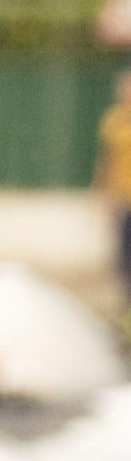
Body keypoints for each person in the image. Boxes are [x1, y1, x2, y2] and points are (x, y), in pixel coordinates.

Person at [96, 71, 131, 306]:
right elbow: (106, 159)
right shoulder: (113, 120)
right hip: (123, 197)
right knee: (123, 256)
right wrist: (101, 193)